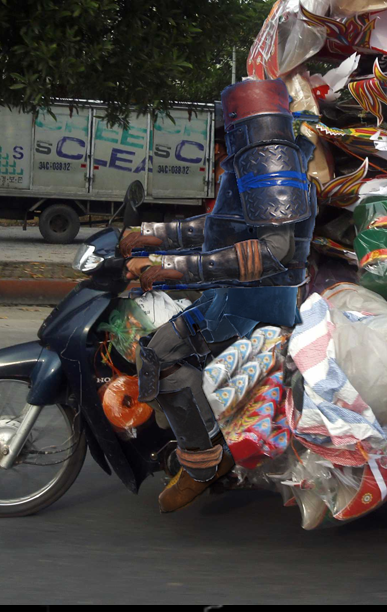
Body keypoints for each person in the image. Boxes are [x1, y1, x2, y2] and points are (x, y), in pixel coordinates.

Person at [122, 78, 316, 512]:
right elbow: (216, 229)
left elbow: (274, 250)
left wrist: (176, 267)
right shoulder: (253, 165)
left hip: (258, 301)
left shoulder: (270, 163)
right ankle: (197, 429)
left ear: (241, 123)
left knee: (157, 354)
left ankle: (203, 463)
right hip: (237, 293)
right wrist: (150, 236)